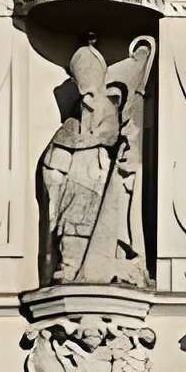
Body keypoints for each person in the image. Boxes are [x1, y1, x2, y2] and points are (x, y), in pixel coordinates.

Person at [38, 35, 157, 286]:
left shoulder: (110, 137)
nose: (91, 103)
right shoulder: (67, 134)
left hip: (99, 203)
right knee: (70, 250)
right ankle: (69, 271)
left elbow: (118, 156)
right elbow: (52, 177)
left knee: (101, 241)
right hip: (73, 208)